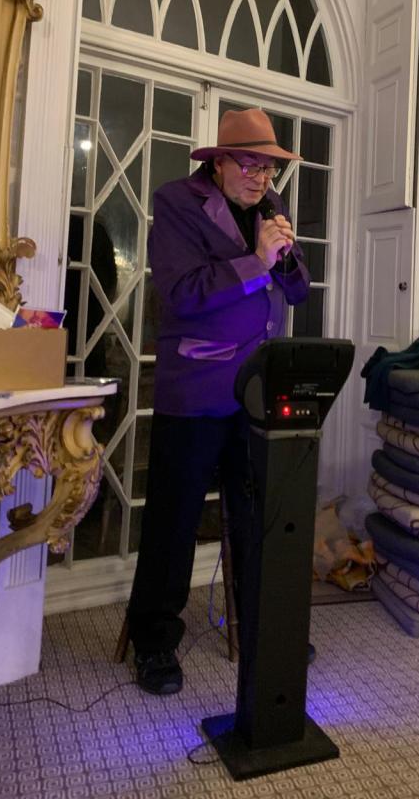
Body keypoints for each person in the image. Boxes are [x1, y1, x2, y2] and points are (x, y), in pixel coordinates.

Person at [127, 107, 310, 695]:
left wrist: (283, 255)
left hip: (257, 389)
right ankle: (155, 640)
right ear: (220, 162)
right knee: (174, 521)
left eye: (269, 168)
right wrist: (256, 261)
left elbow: (298, 290)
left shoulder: (271, 206)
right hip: (196, 388)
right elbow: (182, 293)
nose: (261, 178)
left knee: (259, 519)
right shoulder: (178, 203)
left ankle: (263, 628)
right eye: (250, 165)